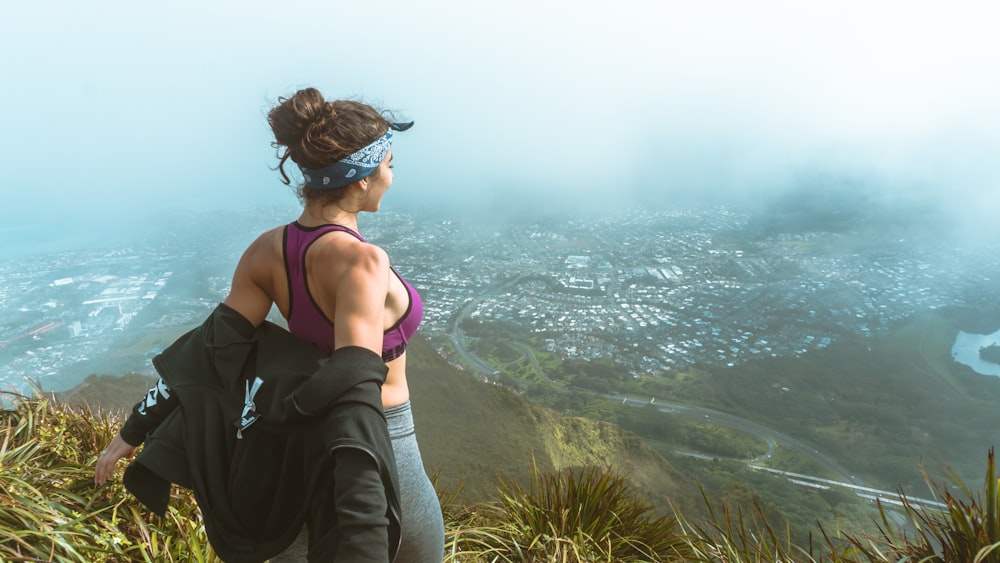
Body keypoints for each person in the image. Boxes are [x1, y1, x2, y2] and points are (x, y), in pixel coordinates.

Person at [95, 87, 445, 562]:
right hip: (379, 445)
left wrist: (137, 426)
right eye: (388, 161)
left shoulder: (266, 250)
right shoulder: (363, 263)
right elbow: (355, 388)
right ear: (361, 179)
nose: (392, 172)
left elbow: (212, 349)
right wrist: (365, 530)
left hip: (298, 449)